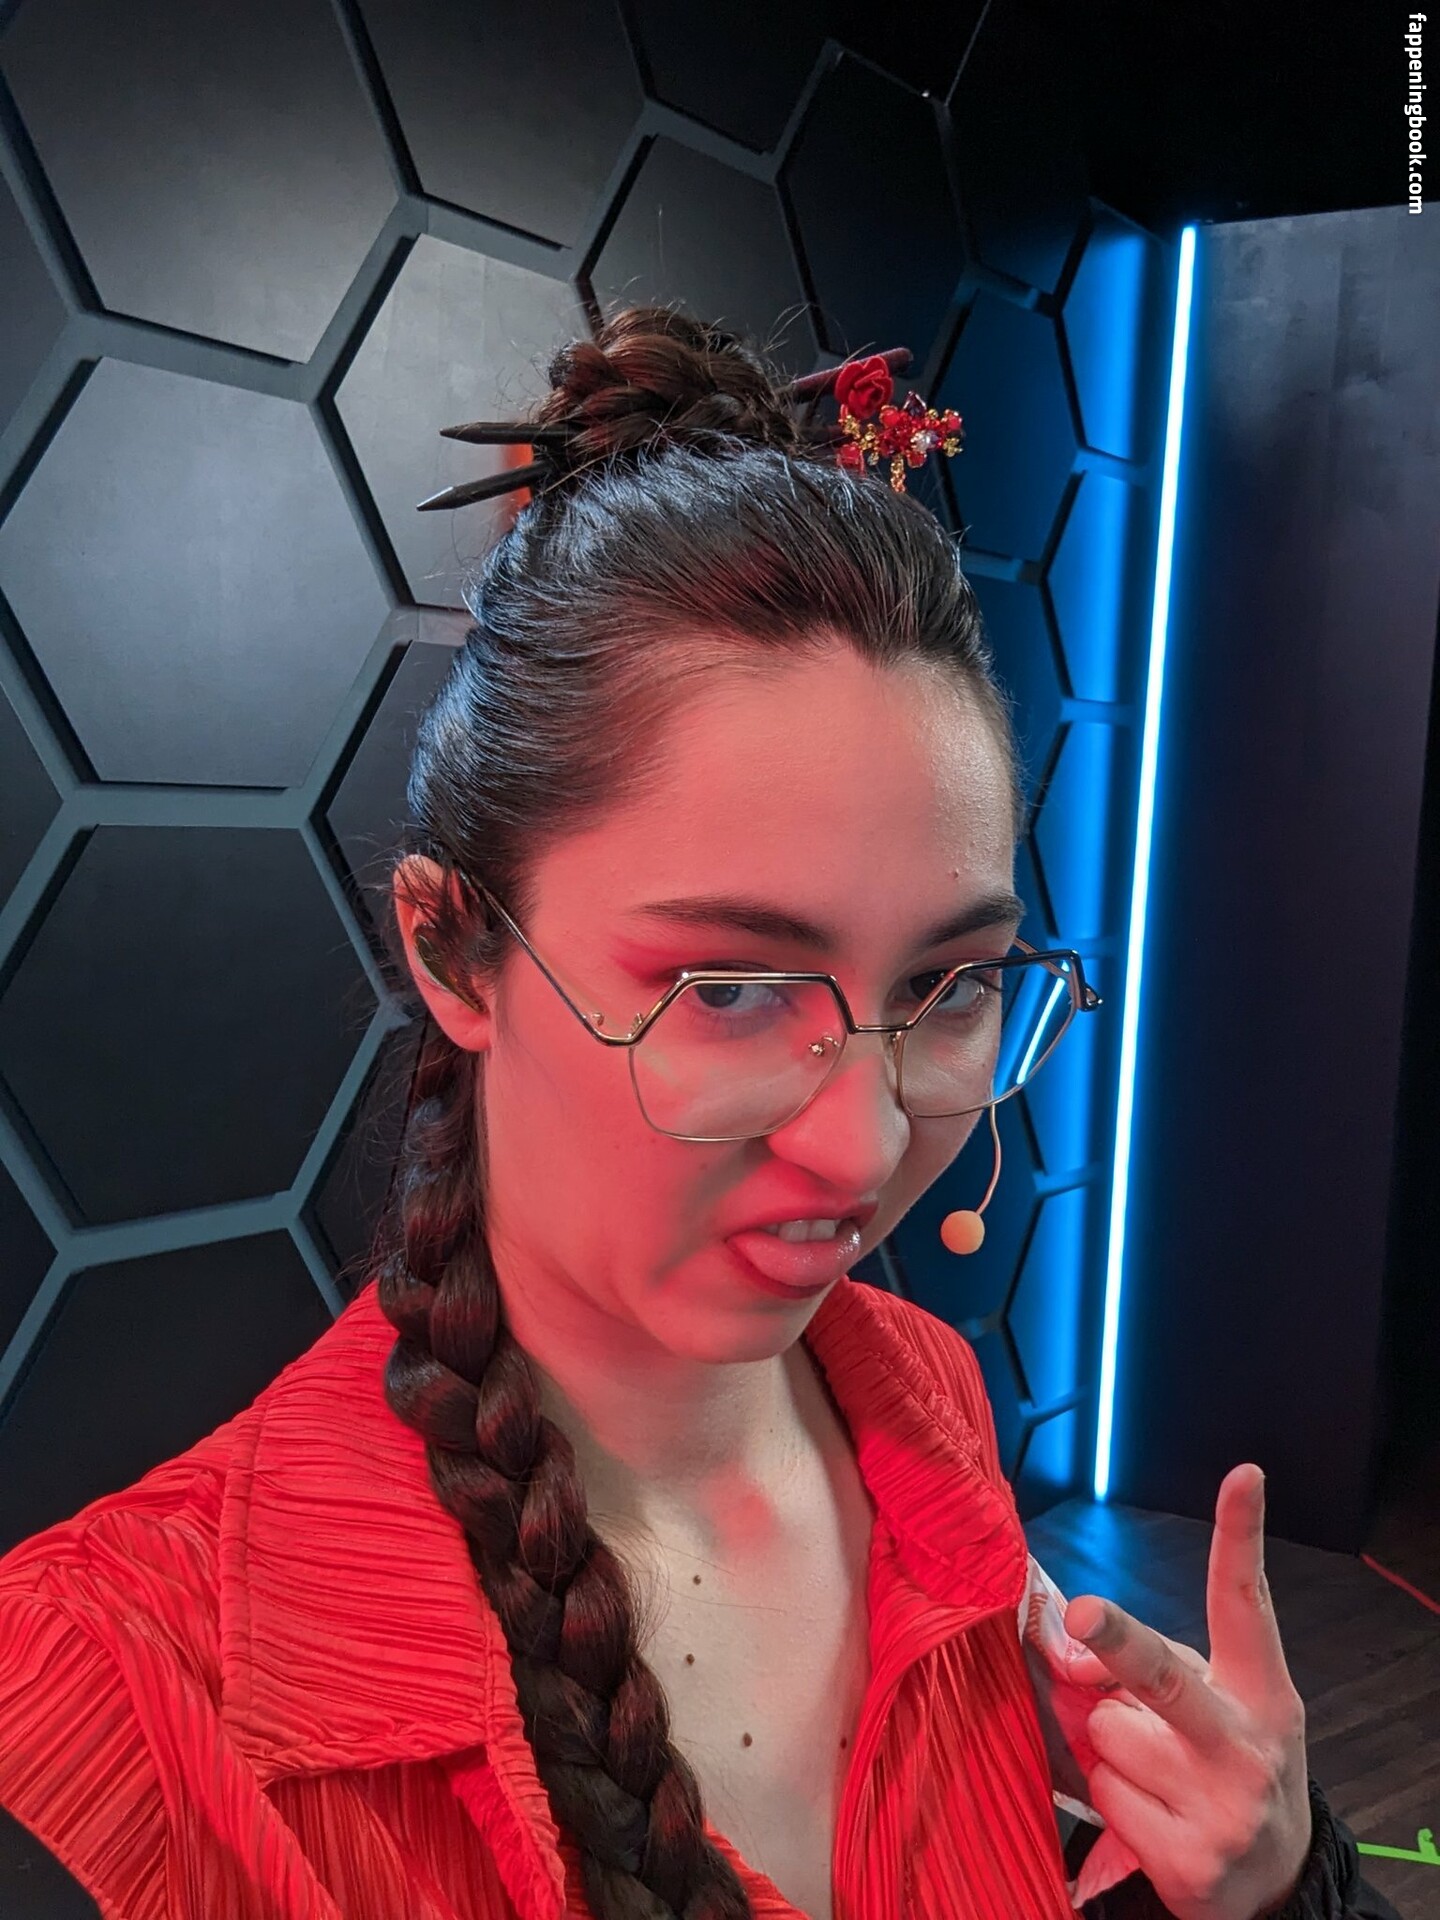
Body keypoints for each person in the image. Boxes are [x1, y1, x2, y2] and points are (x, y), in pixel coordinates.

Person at [0, 306, 1404, 1920]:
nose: (863, 1151)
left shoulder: (921, 1404)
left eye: (948, 986)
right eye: (730, 989)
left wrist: (1273, 1889)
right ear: (453, 948)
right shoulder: (115, 1704)